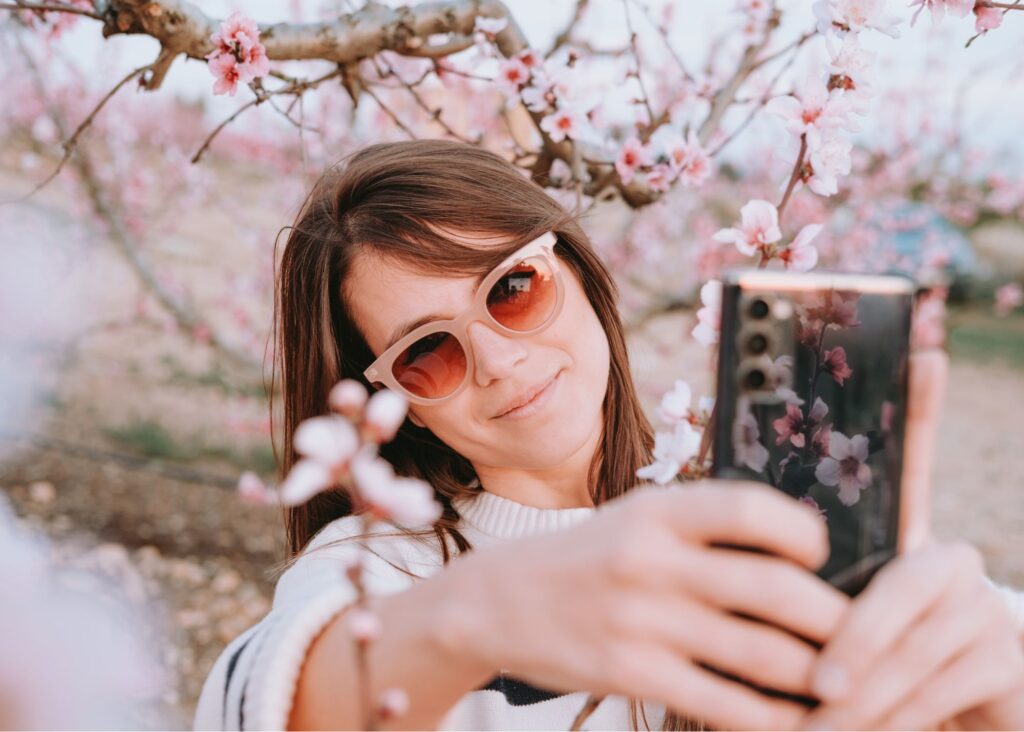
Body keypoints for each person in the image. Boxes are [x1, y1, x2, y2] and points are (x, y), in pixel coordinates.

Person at [193, 140, 1024, 731]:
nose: (497, 358)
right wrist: (472, 619)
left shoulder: (746, 506)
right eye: (428, 352)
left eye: (513, 287)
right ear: (398, 403)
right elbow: (271, 698)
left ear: (583, 277)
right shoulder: (380, 565)